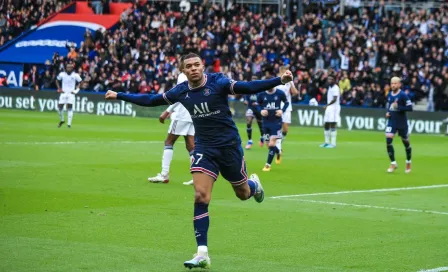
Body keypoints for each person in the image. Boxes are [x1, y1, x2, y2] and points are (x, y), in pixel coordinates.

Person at [105, 53, 293, 269]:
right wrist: (119, 94)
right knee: (200, 195)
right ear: (183, 71)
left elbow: (247, 87)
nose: (193, 68)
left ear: (203, 67)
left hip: (229, 146)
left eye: (197, 65)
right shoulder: (182, 90)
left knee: (242, 194)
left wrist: (280, 80)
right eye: (189, 66)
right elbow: (152, 100)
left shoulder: (218, 82)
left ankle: (254, 186)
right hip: (204, 148)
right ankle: (202, 252)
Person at [147, 72, 195, 186]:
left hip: (181, 115)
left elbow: (179, 96)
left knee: (169, 142)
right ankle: (198, 176)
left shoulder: (183, 76)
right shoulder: (195, 76)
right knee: (191, 146)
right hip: (192, 114)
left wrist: (167, 111)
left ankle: (164, 175)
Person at [257, 85, 289, 171]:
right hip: (266, 122)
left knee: (272, 144)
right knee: (268, 145)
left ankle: (267, 165)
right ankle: (278, 152)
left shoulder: (279, 93)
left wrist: (282, 110)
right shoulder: (261, 94)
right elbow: (257, 104)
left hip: (276, 122)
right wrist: (261, 110)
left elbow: (286, 102)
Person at [385, 77, 413, 173]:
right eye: (392, 83)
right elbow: (390, 106)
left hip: (401, 122)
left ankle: (408, 162)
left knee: (406, 143)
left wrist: (399, 107)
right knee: (388, 141)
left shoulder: (403, 95)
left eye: (395, 83)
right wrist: (388, 112)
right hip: (392, 121)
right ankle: (393, 163)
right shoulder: (389, 94)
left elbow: (410, 108)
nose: (393, 85)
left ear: (399, 84)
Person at [275, 66, 298, 144]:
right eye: (284, 71)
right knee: (276, 125)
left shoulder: (289, 81)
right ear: (280, 71)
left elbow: (295, 93)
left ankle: (281, 141)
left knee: (285, 128)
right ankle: (275, 142)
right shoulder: (277, 80)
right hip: (277, 105)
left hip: (287, 106)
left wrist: (291, 83)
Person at [56, 63, 82, 128]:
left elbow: (81, 82)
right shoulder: (62, 74)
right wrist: (59, 88)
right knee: (59, 107)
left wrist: (76, 90)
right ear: (66, 68)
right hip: (63, 93)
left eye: (70, 67)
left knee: (69, 107)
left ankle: (69, 124)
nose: (69, 68)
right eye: (68, 67)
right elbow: (57, 80)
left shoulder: (75, 75)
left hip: (71, 93)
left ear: (72, 68)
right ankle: (62, 120)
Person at [320, 76, 340, 148]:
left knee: (333, 124)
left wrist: (327, 105)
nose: (329, 80)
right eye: (328, 79)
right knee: (326, 124)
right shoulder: (330, 87)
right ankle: (326, 142)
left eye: (331, 79)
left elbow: (335, 99)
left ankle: (333, 143)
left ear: (334, 80)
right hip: (329, 107)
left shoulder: (335, 88)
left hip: (334, 108)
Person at [244, 76, 264, 149]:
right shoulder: (248, 89)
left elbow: (263, 100)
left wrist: (258, 103)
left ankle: (262, 137)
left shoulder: (261, 90)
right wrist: (245, 101)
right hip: (250, 108)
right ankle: (250, 141)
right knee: (248, 122)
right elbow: (246, 98)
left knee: (260, 125)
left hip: (258, 109)